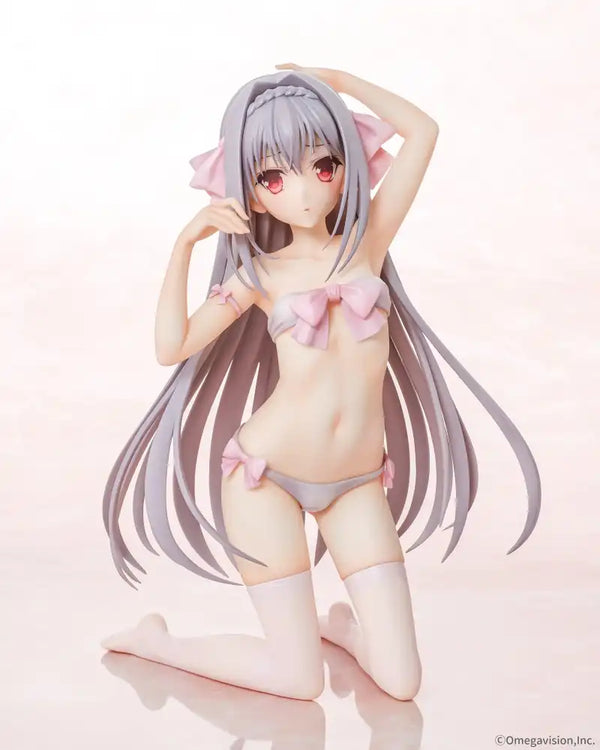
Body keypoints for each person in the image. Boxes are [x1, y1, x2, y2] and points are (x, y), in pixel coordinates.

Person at [101, 64, 541, 702]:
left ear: (347, 164)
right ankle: (157, 643)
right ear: (255, 197)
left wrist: (335, 80)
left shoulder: (367, 244)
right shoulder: (260, 276)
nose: (304, 190)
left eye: (323, 164)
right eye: (275, 178)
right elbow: (172, 347)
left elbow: (423, 131)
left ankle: (344, 631)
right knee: (296, 681)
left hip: (357, 483)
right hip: (264, 479)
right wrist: (184, 246)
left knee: (402, 682)